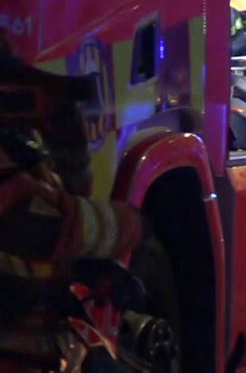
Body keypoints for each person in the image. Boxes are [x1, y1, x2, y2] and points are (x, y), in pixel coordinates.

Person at [0, 40, 144, 372]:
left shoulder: (23, 154)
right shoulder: (10, 171)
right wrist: (132, 226)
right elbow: (49, 227)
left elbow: (74, 192)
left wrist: (66, 128)